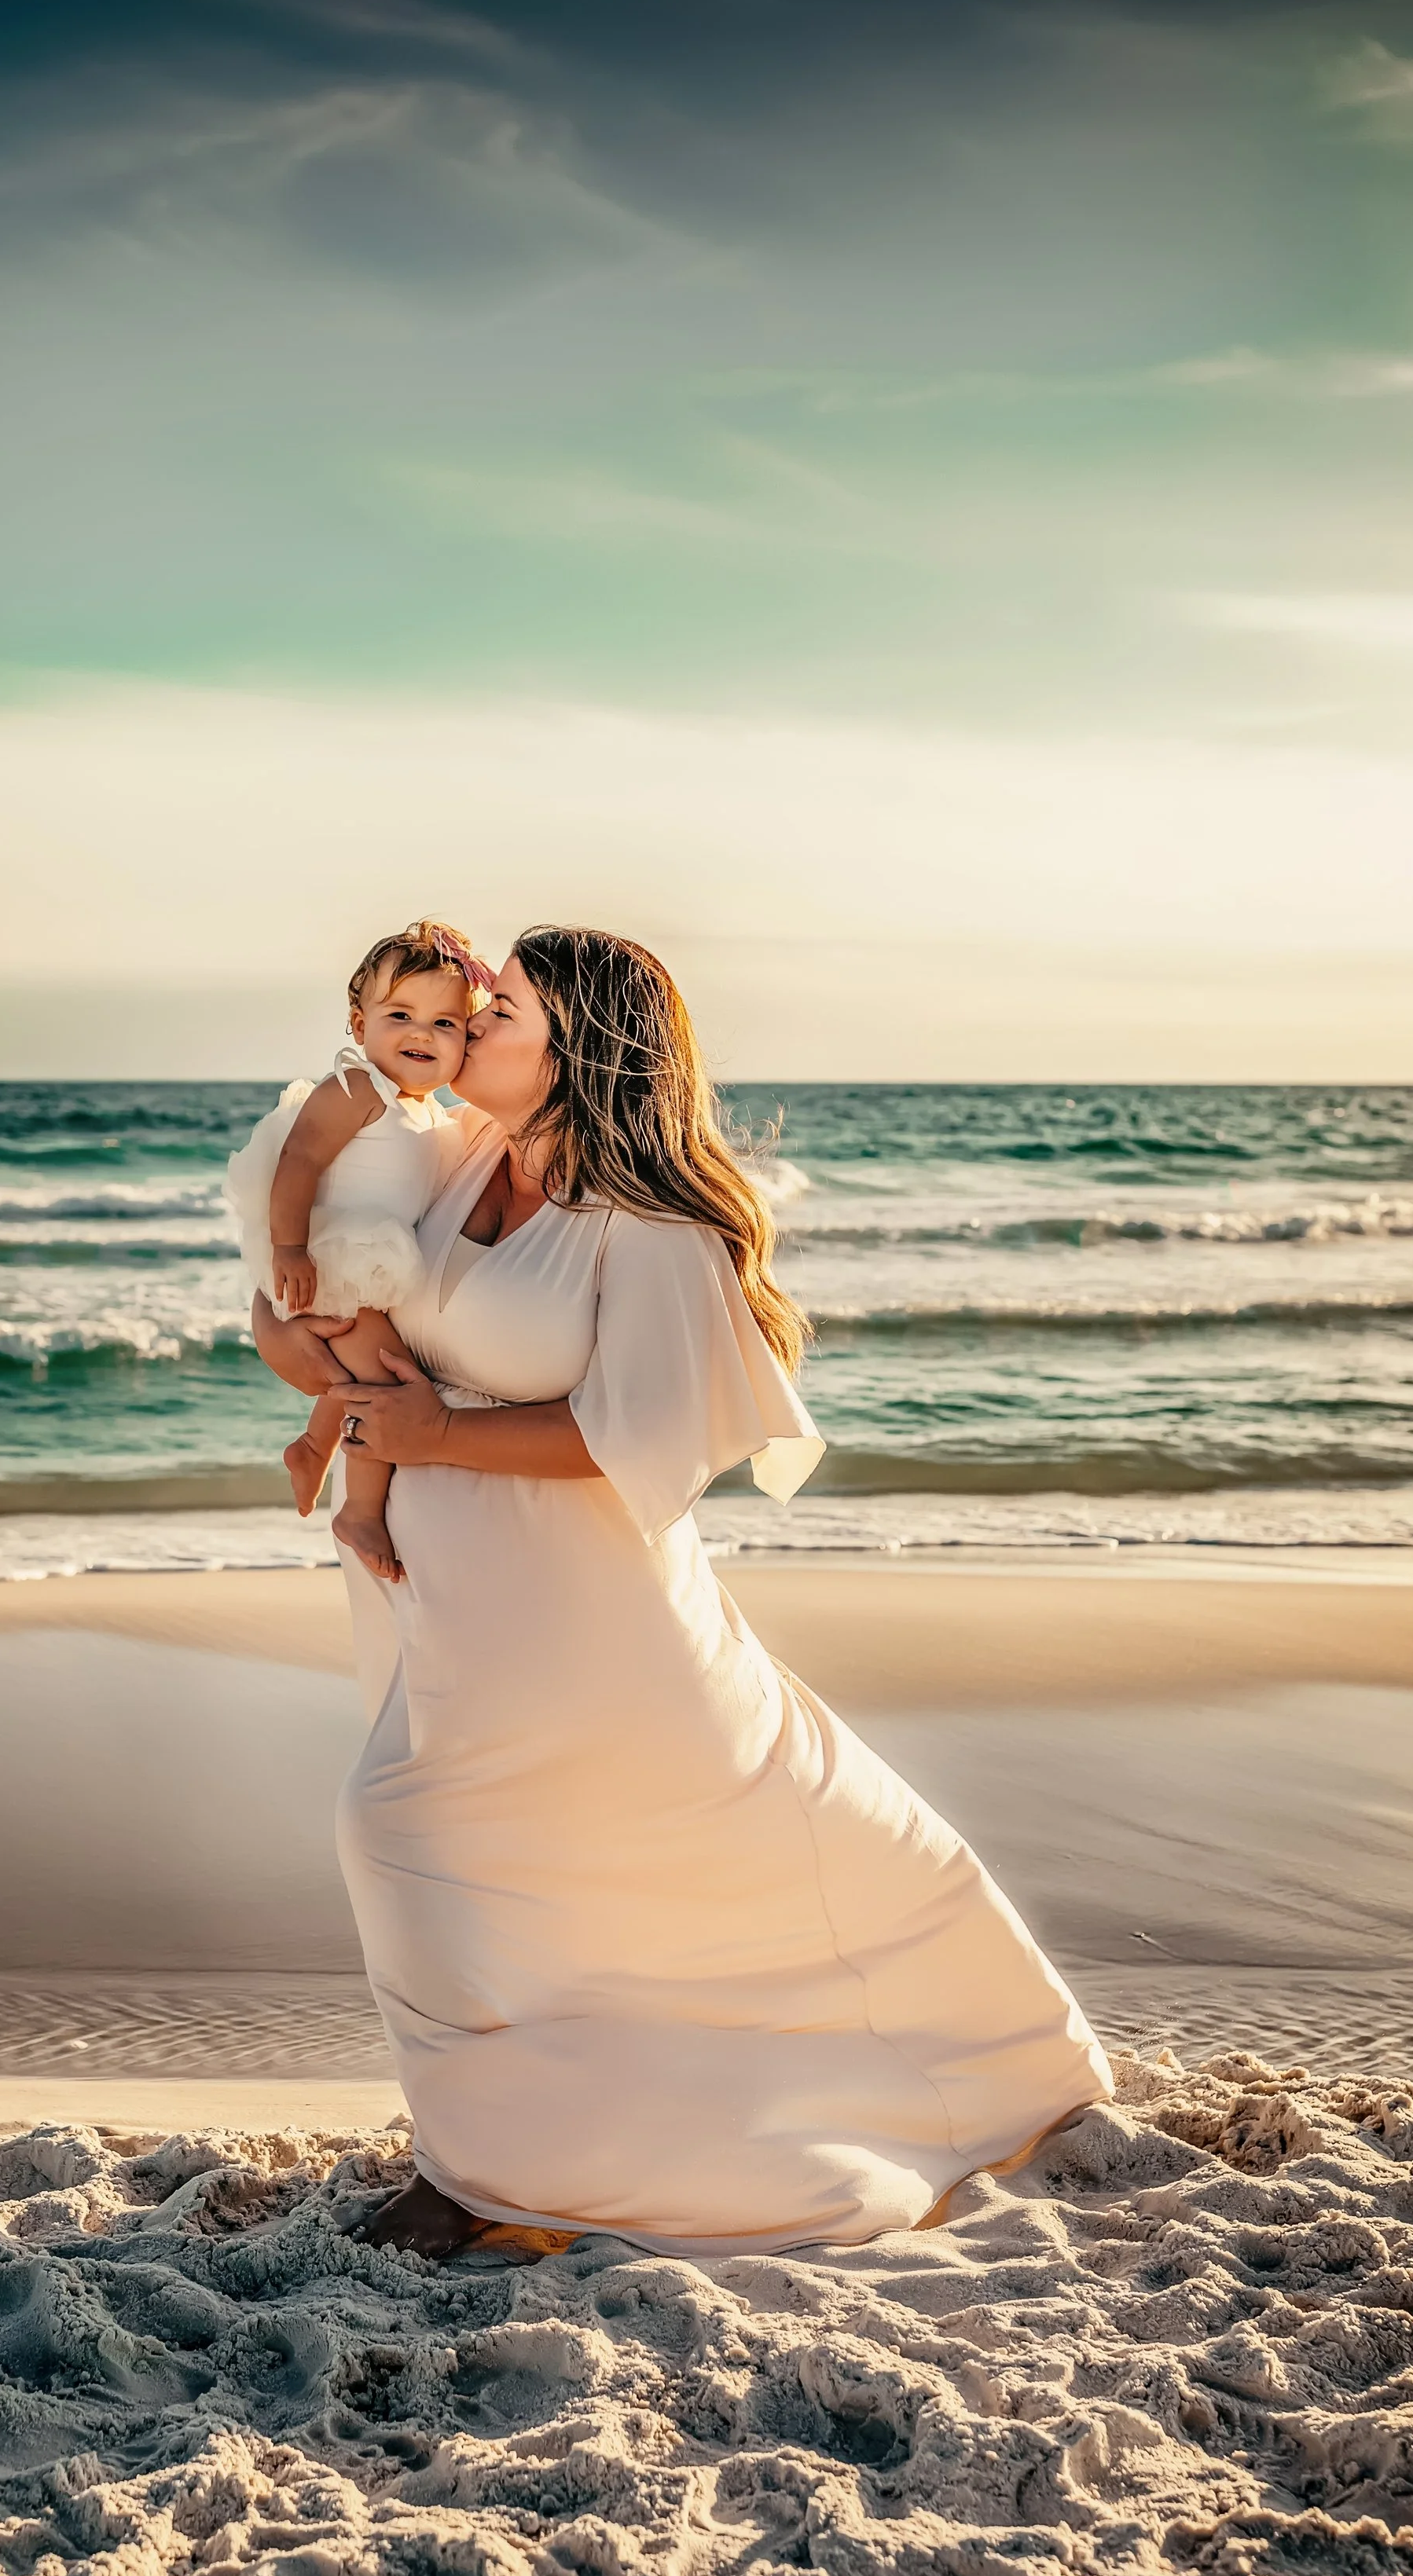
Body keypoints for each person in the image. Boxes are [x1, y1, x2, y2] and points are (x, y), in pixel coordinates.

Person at [251, 928, 1113, 2259]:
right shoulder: (448, 1159)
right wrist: (291, 1338)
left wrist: (431, 1442)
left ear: (578, 1047)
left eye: (502, 1012)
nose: (466, 1026)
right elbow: (311, 1283)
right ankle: (487, 2158)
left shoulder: (648, 1228)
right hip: (441, 1593)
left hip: (584, 1609)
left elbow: (643, 1437)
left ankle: (482, 2170)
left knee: (402, 1831)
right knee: (527, 1886)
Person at [226, 922, 493, 1581]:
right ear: (358, 1022)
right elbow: (300, 1160)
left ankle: (314, 1447)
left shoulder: (430, 1116)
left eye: (445, 1024)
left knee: (361, 1377)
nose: (421, 1034)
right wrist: (289, 1249)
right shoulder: (356, 1089)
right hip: (329, 1257)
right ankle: (361, 1510)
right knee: (385, 1384)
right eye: (400, 1015)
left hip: (374, 1266)